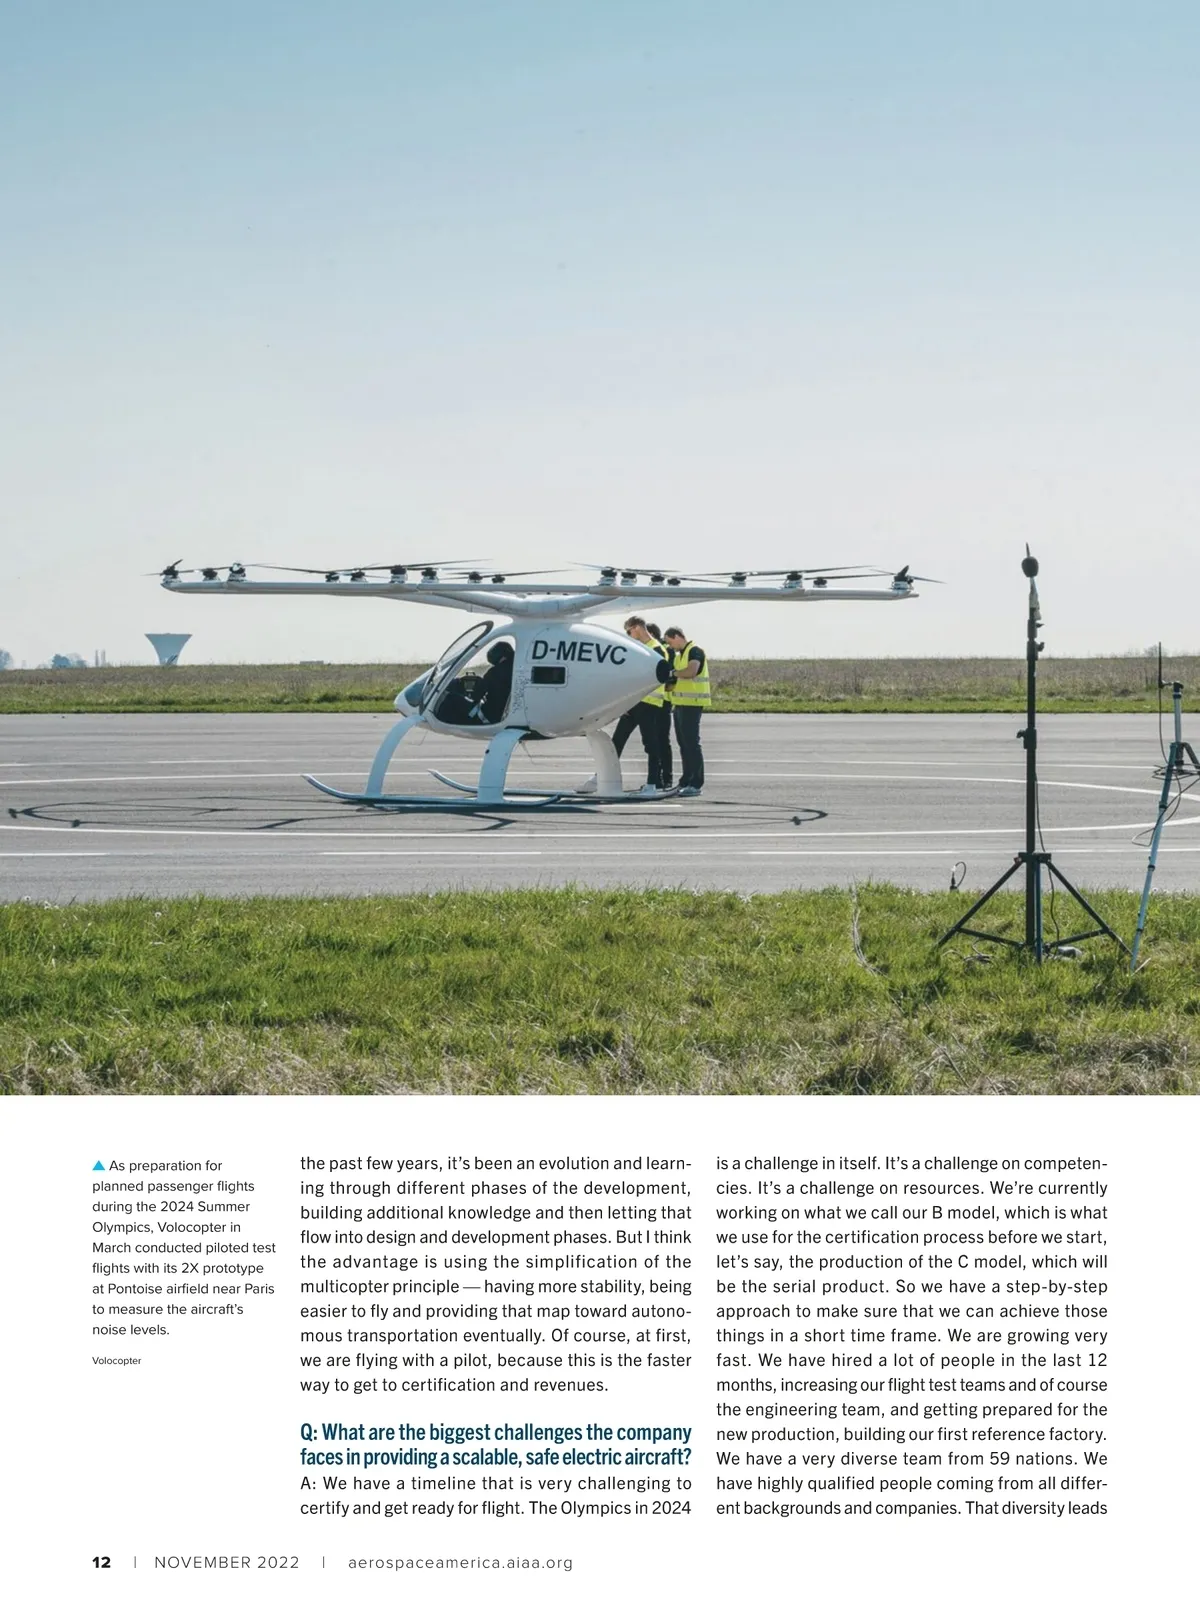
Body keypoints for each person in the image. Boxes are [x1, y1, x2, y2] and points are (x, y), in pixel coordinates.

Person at [609, 617, 673, 792]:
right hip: (635, 703)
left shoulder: (657, 649)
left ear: (637, 628)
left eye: (629, 631)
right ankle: (602, 778)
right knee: (617, 740)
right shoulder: (639, 648)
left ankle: (653, 782)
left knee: (650, 744)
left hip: (649, 703)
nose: (628, 635)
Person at [663, 626, 710, 795]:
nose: (670, 646)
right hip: (680, 704)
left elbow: (691, 671)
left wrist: (674, 673)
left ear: (677, 636)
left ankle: (696, 783)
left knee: (691, 743)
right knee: (683, 744)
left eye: (670, 642)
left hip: (692, 704)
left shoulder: (695, 651)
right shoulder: (679, 656)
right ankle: (686, 780)